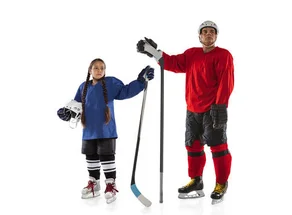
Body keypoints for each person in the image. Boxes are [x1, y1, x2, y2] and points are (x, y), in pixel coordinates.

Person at [136, 20, 234, 204]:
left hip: (213, 109)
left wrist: (220, 107)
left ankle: (221, 183)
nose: (208, 34)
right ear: (199, 35)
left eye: (212, 32)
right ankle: (196, 181)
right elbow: (172, 62)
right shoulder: (191, 54)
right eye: (204, 31)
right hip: (192, 109)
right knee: (193, 146)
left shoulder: (223, 55)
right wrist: (153, 52)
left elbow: (226, 81)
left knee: (218, 146)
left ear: (216, 36)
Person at [57, 58, 155, 204]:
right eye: (95, 68)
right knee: (91, 156)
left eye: (102, 68)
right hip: (88, 130)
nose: (99, 70)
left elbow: (126, 91)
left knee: (106, 156)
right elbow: (76, 105)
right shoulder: (83, 87)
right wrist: (67, 112)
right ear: (90, 70)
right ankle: (94, 184)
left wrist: (140, 81)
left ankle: (110, 184)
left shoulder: (110, 83)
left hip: (106, 129)